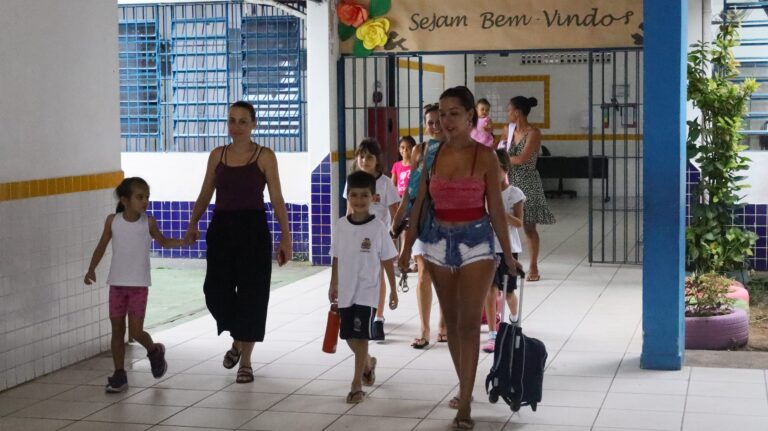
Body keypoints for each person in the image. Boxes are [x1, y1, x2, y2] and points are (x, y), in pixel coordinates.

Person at [399, 86, 521, 430]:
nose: (446, 120)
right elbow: (418, 203)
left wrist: (509, 256)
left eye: (454, 113)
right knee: (452, 324)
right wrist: (407, 248)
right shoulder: (431, 154)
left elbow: (496, 209)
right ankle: (464, 383)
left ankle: (465, 400)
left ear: (471, 116)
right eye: (442, 113)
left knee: (469, 323)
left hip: (476, 244)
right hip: (437, 242)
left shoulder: (484, 156)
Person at [184, 101, 292, 384]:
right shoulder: (217, 155)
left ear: (253, 124)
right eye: (232, 120)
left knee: (252, 296)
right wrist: (193, 221)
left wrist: (286, 237)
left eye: (243, 121)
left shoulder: (265, 156)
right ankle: (239, 339)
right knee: (215, 291)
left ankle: (245, 359)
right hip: (222, 229)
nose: (237, 126)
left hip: (253, 230)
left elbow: (277, 198)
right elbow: (206, 191)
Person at [84, 177, 191, 393]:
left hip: (138, 286)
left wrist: (184, 241)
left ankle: (154, 351)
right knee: (116, 330)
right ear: (125, 200)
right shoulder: (112, 221)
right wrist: (91, 268)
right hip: (117, 284)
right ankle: (119, 373)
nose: (145, 202)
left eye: (147, 197)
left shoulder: (148, 223)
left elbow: (163, 241)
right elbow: (101, 246)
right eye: (140, 197)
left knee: (136, 331)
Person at [329, 171, 398, 404]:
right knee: (349, 336)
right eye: (354, 195)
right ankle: (368, 362)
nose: (359, 200)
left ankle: (356, 384)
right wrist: (333, 283)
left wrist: (394, 290)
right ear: (347, 196)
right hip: (346, 291)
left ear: (374, 198)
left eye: (364, 196)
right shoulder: (340, 226)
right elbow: (336, 257)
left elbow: (387, 259)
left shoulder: (378, 227)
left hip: (367, 292)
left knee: (361, 335)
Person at [391, 104, 447, 349]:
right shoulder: (419, 150)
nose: (434, 126)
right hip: (421, 217)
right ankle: (424, 328)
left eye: (438, 121)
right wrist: (398, 216)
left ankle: (443, 324)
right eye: (429, 122)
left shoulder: (456, 150)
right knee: (423, 272)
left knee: (445, 274)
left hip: (448, 219)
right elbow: (411, 191)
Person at [344, 138, 400, 338]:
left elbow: (395, 211)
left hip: (379, 238)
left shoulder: (385, 183)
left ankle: (378, 318)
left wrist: (393, 236)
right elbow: (349, 211)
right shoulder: (351, 181)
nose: (364, 160)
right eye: (361, 156)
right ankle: (361, 311)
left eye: (369, 157)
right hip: (357, 238)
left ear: (377, 160)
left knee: (378, 277)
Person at [506, 96, 555, 282]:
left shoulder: (533, 133)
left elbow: (522, 159)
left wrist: (502, 158)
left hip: (528, 183)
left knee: (529, 227)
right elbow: (496, 149)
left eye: (509, 110)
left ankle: (533, 265)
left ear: (517, 112)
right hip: (509, 182)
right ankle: (508, 261)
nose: (508, 114)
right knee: (505, 223)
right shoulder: (508, 131)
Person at [482, 150, 525, 353]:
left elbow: (519, 222)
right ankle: (492, 333)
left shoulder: (514, 194)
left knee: (508, 293)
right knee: (490, 292)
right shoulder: (485, 194)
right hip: (489, 247)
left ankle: (514, 321)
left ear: (504, 170)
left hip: (509, 249)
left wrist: (500, 213)